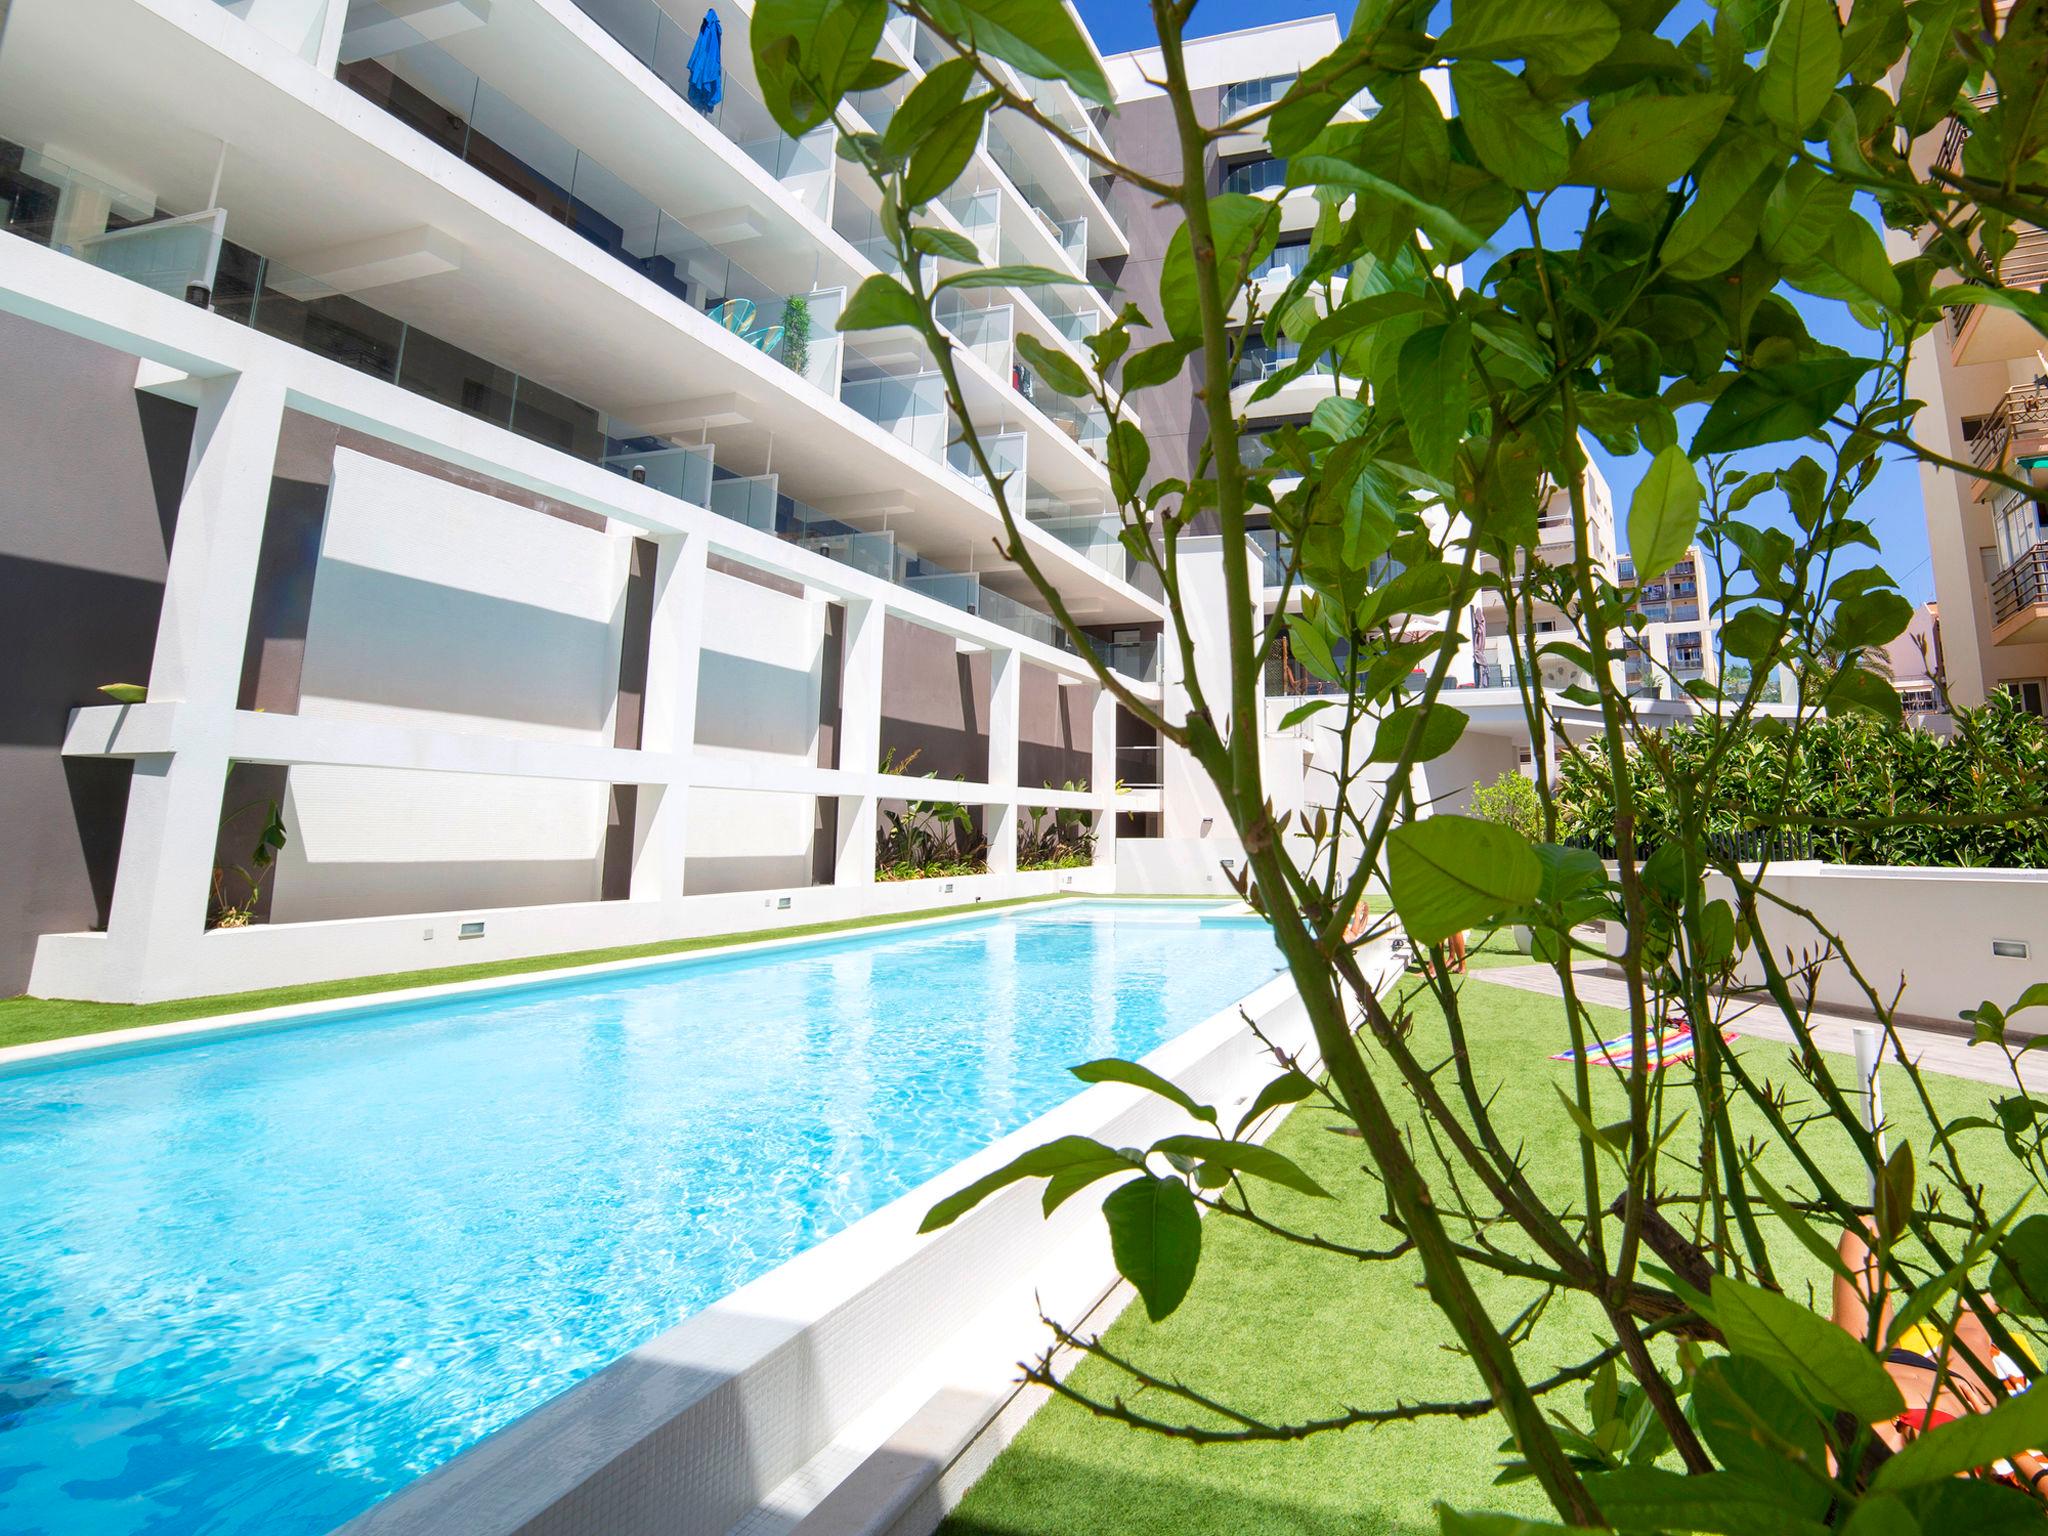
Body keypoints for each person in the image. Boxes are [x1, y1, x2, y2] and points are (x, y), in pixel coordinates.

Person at [1832, 1222, 2046, 1491]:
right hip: (1957, 1398)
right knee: (1972, 1329)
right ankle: (1984, 1305)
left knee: (1864, 1231)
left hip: (1871, 1377)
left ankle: (1979, 1310)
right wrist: (2009, 1444)